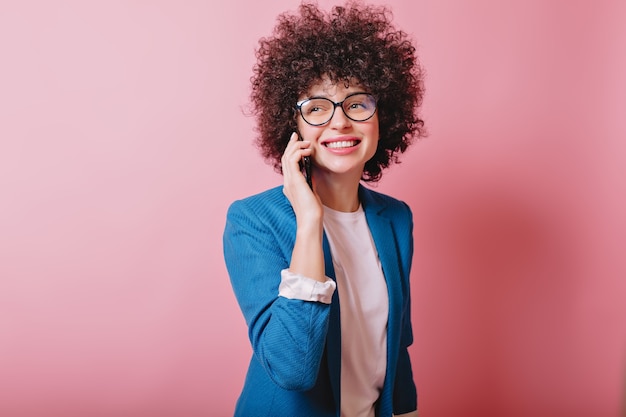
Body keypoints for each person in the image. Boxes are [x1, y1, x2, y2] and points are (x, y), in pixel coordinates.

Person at [223, 1, 425, 416]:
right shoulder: (253, 221)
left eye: (357, 103)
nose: (339, 122)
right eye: (316, 108)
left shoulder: (395, 219)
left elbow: (395, 347)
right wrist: (310, 221)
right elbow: (292, 368)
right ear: (292, 128)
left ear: (381, 115)